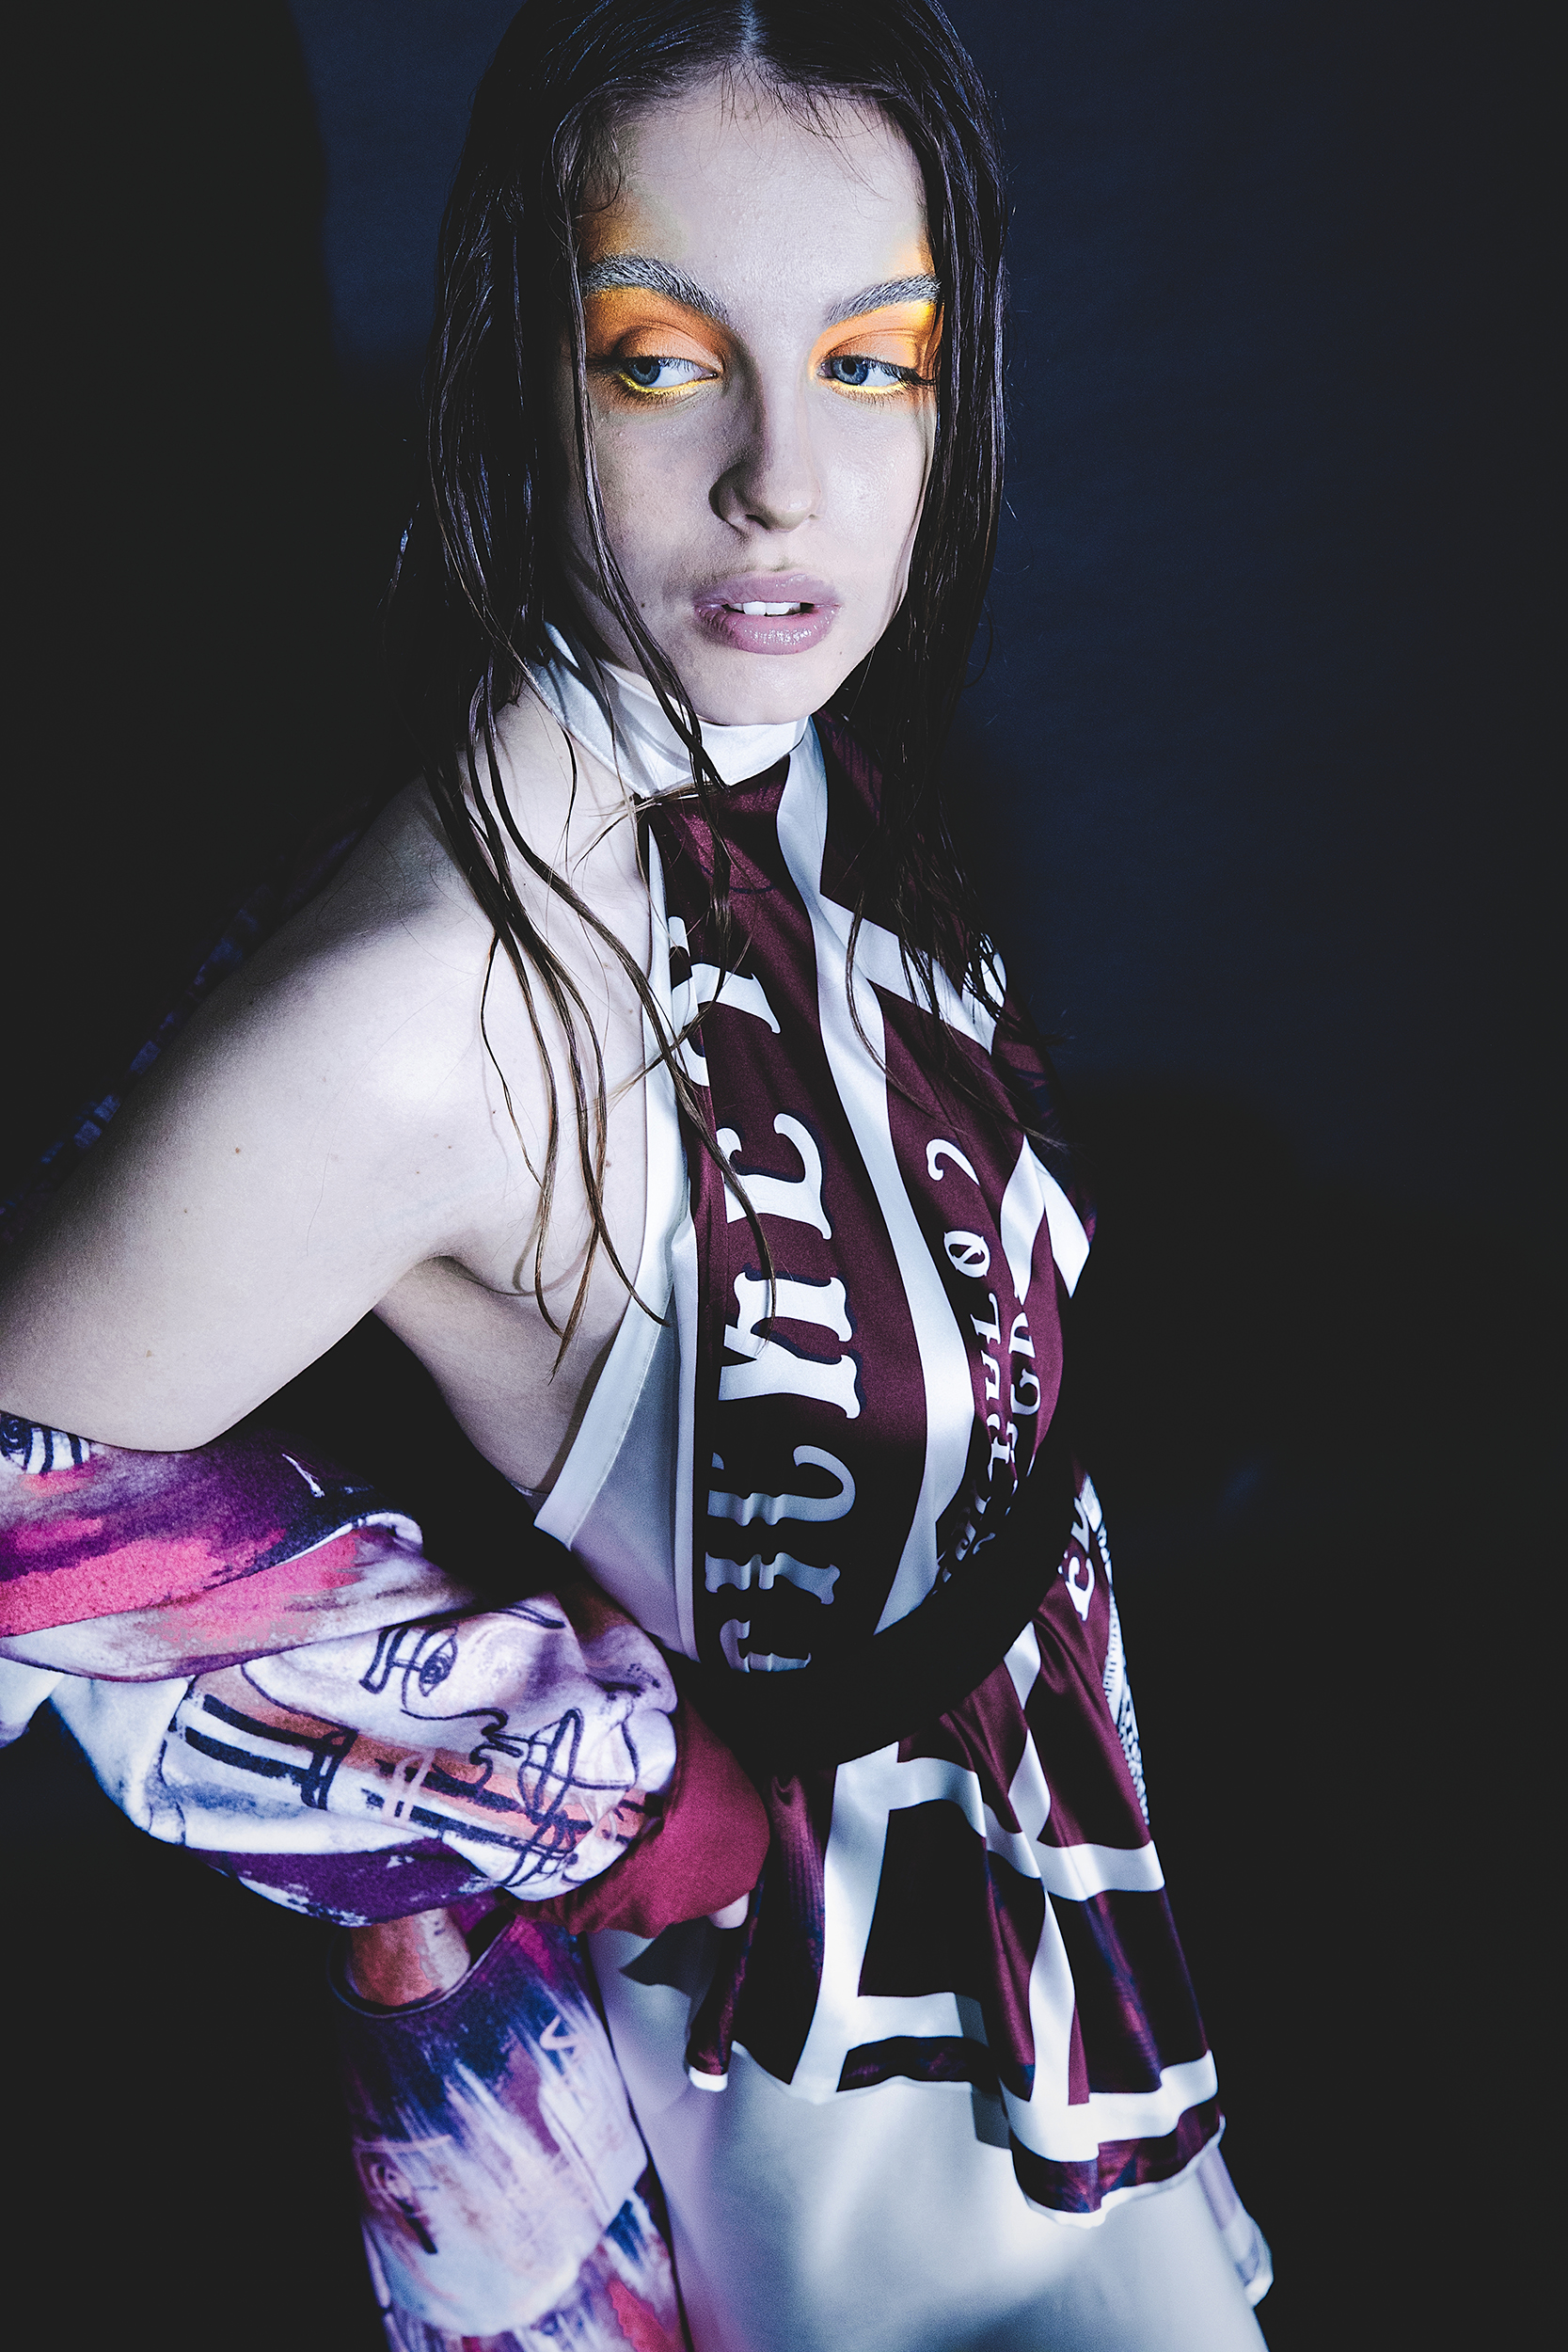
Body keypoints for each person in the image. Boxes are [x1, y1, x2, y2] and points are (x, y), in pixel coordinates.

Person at [0, 4, 1273, 2346]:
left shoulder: (796, 772)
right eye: (667, 361)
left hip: (1072, 2077)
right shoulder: (426, 1003)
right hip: (849, 2194)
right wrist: (558, 1774)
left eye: (872, 362)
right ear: (522, 358)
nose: (783, 480)